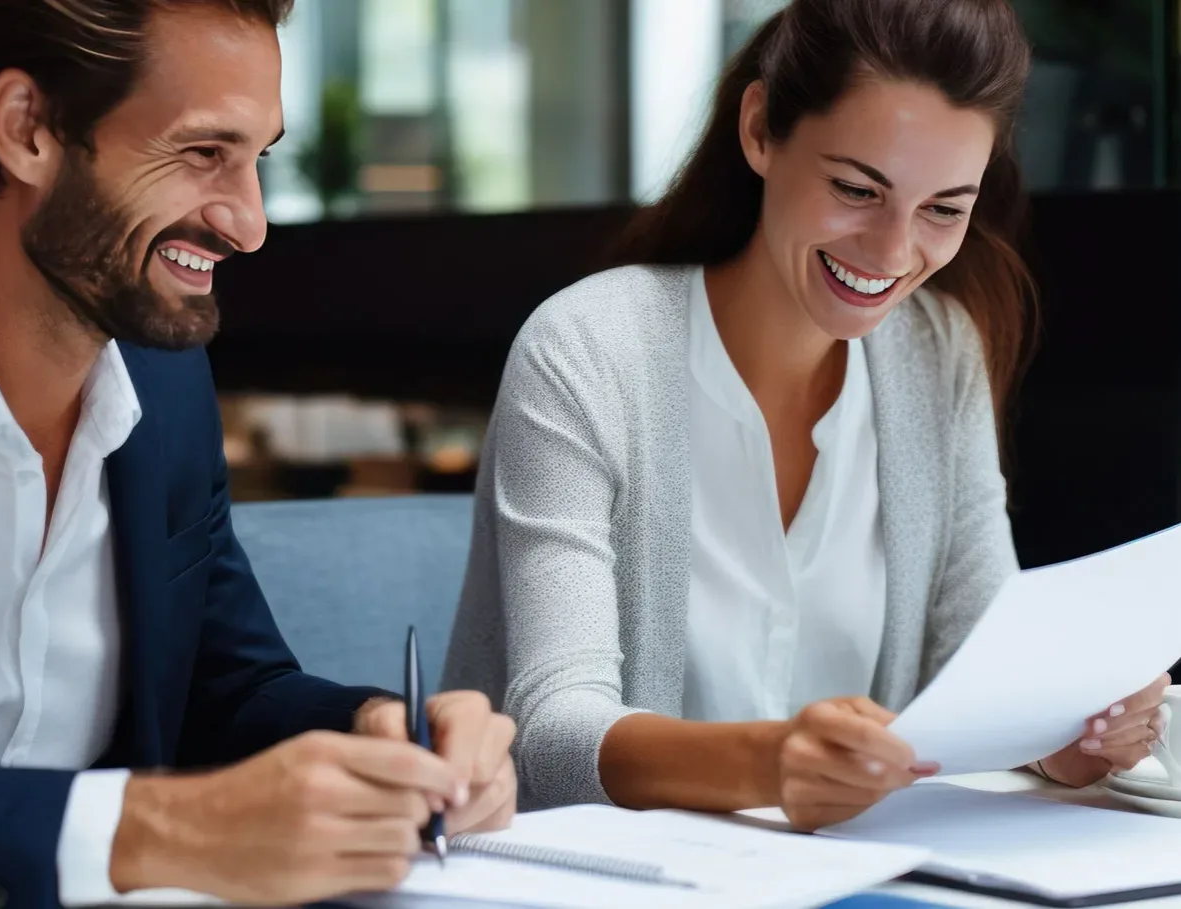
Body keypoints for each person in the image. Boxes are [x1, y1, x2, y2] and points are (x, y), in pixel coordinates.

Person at [441, 0, 1168, 831]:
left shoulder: (937, 354)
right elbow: (551, 735)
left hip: (853, 878)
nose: (894, 253)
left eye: (943, 208)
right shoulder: (586, 350)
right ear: (759, 130)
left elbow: (978, 664)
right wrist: (770, 762)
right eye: (857, 188)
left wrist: (1057, 733)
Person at [0, 1, 516, 906]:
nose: (249, 224)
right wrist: (161, 828)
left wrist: (378, 733)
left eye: (258, 159)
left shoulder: (164, 382)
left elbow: (227, 687)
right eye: (201, 154)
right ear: (27, 129)